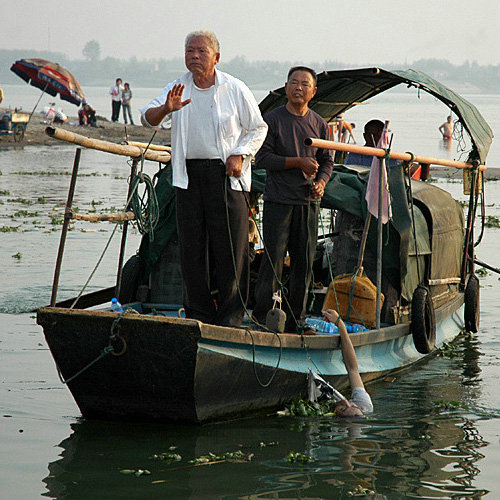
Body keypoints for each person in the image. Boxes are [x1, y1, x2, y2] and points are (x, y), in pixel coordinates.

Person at [140, 30, 267, 327]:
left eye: (201, 51)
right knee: (192, 249)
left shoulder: (234, 88)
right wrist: (166, 109)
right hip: (188, 176)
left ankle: (231, 316)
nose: (194, 56)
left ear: (216, 57)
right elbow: (147, 117)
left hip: (226, 175)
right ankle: (198, 314)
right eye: (189, 51)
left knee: (230, 248)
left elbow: (258, 129)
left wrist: (239, 154)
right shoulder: (177, 88)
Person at [252, 66, 334, 333]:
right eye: (294, 83)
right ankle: (263, 316)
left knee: (304, 262)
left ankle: (296, 320)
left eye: (304, 84)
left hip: (307, 203)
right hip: (278, 201)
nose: (298, 87)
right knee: (273, 260)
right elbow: (262, 158)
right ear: (286, 87)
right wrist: (297, 162)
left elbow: (327, 161)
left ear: (313, 92)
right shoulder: (273, 120)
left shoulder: (320, 124)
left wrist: (321, 183)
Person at [322, 308, 373, 417]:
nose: (346, 401)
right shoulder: (364, 404)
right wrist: (340, 324)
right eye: (352, 405)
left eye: (344, 409)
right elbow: (352, 367)